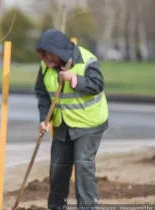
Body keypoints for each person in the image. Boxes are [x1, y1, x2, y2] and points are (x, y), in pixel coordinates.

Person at [34, 29, 109, 209]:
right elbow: (43, 94)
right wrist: (45, 119)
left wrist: (74, 79)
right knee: (58, 168)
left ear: (58, 52)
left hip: (89, 123)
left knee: (83, 166)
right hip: (63, 124)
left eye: (47, 56)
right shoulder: (45, 67)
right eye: (43, 56)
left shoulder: (86, 60)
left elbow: (97, 85)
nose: (44, 61)